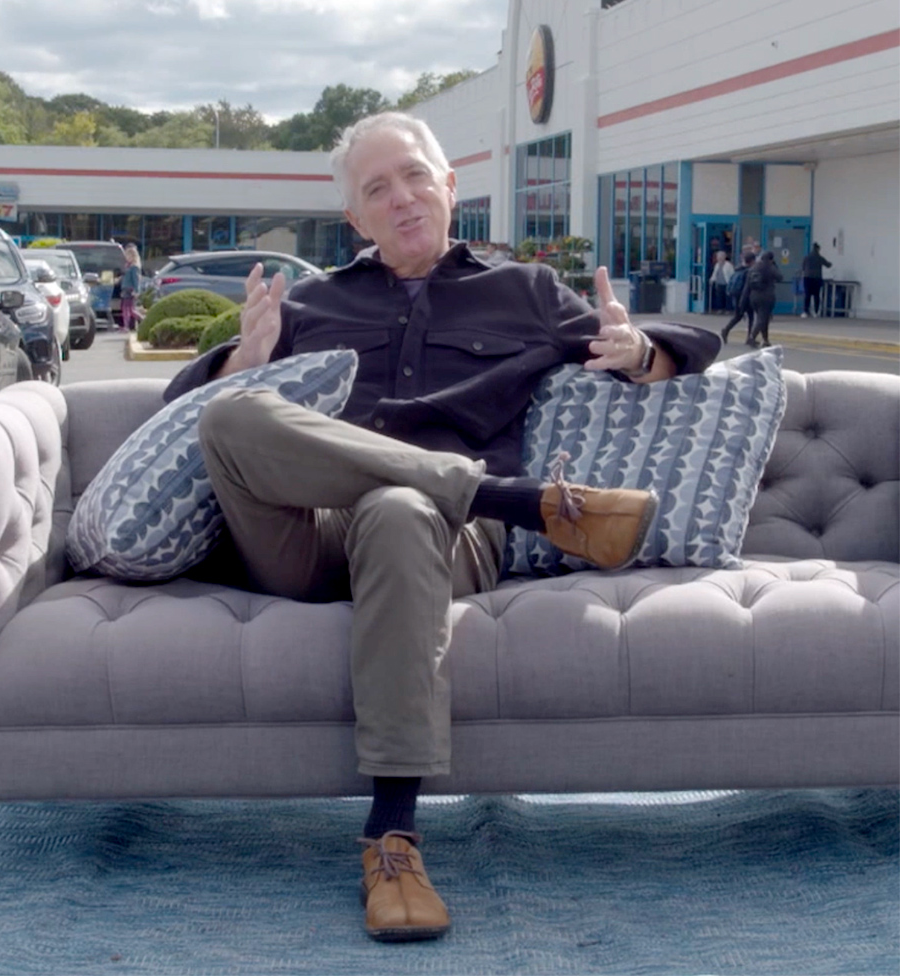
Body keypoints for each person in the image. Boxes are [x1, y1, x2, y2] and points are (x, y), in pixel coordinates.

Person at [163, 111, 720, 942]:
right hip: (307, 535)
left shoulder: (526, 293)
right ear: (354, 219)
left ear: (450, 184)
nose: (403, 200)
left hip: (441, 541)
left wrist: (639, 352)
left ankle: (392, 840)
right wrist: (245, 363)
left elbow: (693, 345)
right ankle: (525, 500)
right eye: (376, 190)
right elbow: (181, 420)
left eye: (416, 176)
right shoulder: (310, 303)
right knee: (230, 417)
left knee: (398, 507)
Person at [746, 250, 783, 348]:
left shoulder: (754, 267)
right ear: (771, 259)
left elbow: (748, 283)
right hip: (766, 296)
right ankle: (752, 337)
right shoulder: (770, 267)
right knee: (762, 319)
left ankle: (765, 340)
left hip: (754, 296)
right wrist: (775, 266)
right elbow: (780, 277)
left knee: (763, 318)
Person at [720, 251, 755, 345]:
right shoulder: (749, 271)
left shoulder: (738, 269)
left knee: (737, 316)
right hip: (745, 297)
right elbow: (747, 287)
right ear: (752, 261)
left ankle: (726, 330)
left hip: (736, 296)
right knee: (751, 317)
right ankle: (750, 337)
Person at [800, 242, 832, 318]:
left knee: (807, 295)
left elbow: (803, 267)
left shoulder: (806, 257)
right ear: (818, 249)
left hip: (807, 278)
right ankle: (816, 312)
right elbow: (828, 265)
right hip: (817, 278)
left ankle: (805, 311)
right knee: (816, 295)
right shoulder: (820, 258)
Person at [120, 245, 142, 331]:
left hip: (130, 290)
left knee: (130, 309)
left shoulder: (134, 267)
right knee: (125, 308)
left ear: (133, 256)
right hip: (125, 289)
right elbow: (124, 277)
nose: (126, 258)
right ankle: (126, 325)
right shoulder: (128, 267)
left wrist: (136, 290)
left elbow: (136, 280)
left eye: (128, 256)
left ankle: (142, 319)